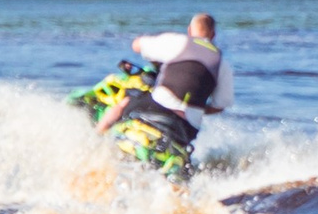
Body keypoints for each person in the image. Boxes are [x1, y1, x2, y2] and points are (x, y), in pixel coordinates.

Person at [95, 11, 234, 148]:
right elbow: (219, 106)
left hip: (160, 106)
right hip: (188, 125)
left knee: (123, 103)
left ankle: (94, 141)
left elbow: (136, 45)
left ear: (189, 31)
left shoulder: (179, 41)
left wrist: (142, 39)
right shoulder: (223, 64)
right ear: (213, 34)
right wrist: (195, 109)